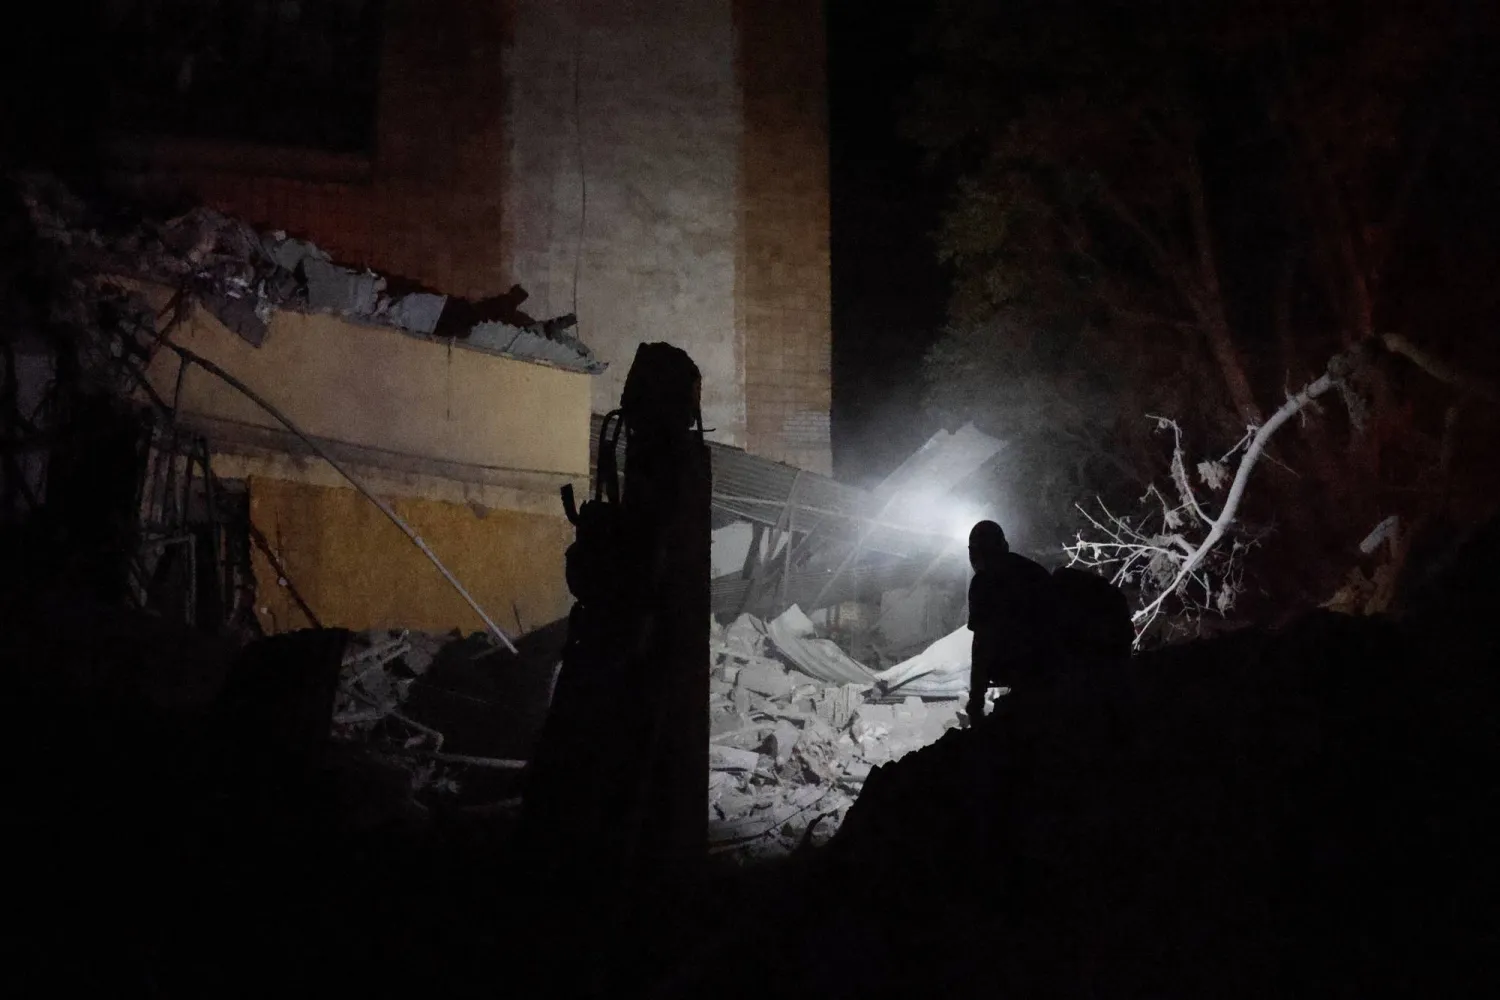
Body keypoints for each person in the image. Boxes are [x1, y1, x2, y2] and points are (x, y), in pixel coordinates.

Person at [966, 520, 1058, 723]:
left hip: (1031, 672)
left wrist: (976, 702)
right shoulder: (1033, 572)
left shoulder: (983, 583)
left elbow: (982, 645)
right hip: (1055, 671)